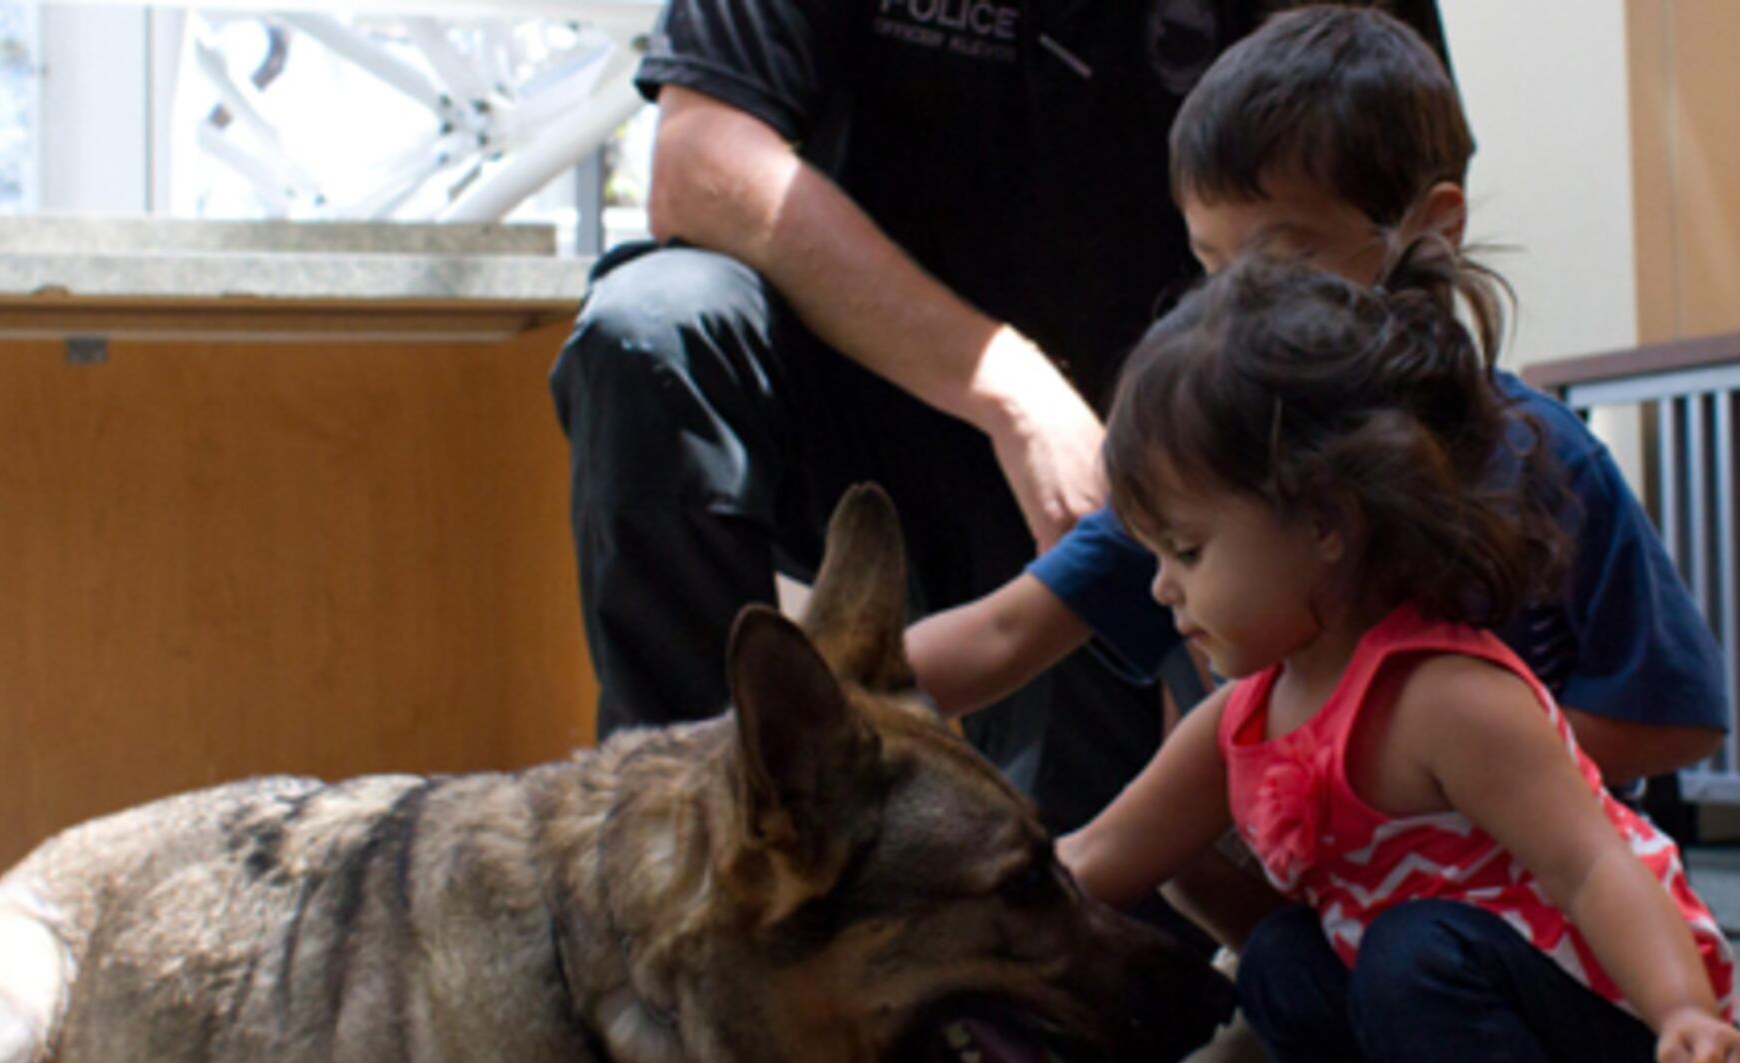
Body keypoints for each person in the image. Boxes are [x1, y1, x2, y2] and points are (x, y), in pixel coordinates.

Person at [895, 6, 1731, 1063]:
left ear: (1423, 228)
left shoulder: (1540, 459)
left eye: (1280, 258)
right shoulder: (1210, 463)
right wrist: (783, 704)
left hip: (1549, 940)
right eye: (1209, 261)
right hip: (1351, 917)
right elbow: (1004, 650)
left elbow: (1669, 718)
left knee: (1419, 956)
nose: (1239, 299)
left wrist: (1447, 763)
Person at [548, 1, 1450, 835]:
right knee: (652, 328)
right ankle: (682, 832)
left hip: (1155, 462)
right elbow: (702, 159)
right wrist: (1006, 389)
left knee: (1101, 913)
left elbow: (1397, 198)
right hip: (874, 419)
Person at [1061, 243, 1740, 1063]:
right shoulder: (1238, 717)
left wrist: (1686, 1021)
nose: (1163, 588)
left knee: (1409, 947)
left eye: (1189, 550)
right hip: (1460, 1062)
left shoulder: (1444, 695)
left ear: (1327, 524)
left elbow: (1592, 863)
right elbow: (1084, 864)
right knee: (1284, 960)